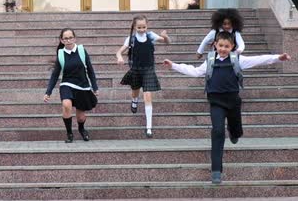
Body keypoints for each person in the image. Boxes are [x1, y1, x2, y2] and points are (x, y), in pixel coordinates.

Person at [164, 31, 290, 184]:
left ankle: (234, 132)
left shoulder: (237, 59)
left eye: (226, 46)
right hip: (216, 101)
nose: (223, 48)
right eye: (220, 45)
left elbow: (258, 60)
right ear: (215, 45)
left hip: (233, 101)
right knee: (217, 131)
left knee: (236, 131)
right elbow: (195, 71)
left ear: (232, 47)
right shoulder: (210, 60)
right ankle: (216, 170)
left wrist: (277, 58)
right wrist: (174, 66)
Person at [116, 15, 170, 138]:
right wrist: (119, 57)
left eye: (144, 27)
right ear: (135, 27)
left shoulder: (151, 35)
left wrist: (166, 37)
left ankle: (149, 127)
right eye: (139, 27)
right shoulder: (131, 39)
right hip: (135, 69)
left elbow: (167, 42)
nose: (141, 29)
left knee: (147, 95)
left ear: (147, 25)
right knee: (135, 91)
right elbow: (119, 51)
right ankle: (134, 101)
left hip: (148, 69)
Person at [44, 28, 99, 143]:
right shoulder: (61, 54)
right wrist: (48, 92)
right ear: (62, 40)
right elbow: (55, 75)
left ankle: (81, 129)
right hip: (67, 84)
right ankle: (69, 133)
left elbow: (90, 70)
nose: (68, 40)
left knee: (81, 117)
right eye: (65, 38)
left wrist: (95, 87)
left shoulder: (82, 50)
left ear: (75, 38)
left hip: (82, 86)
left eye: (70, 38)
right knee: (66, 104)